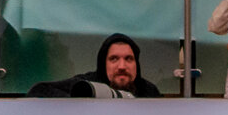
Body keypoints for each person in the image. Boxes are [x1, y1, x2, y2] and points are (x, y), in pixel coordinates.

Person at [27, 33, 161, 98]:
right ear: (103, 64)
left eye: (129, 59)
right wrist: (80, 103)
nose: (122, 66)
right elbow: (39, 90)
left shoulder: (149, 91)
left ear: (136, 64)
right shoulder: (89, 84)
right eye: (114, 59)